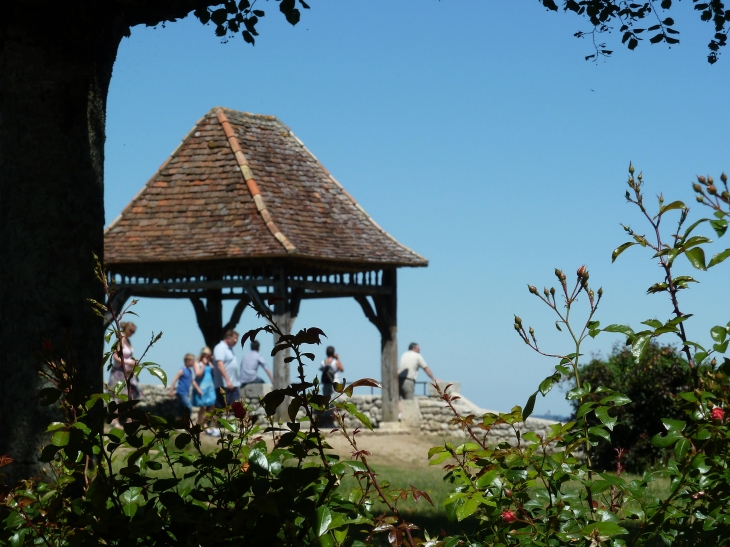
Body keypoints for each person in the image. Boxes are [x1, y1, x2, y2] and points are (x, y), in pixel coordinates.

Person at [108, 321, 140, 429]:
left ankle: (129, 419)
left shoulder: (128, 341)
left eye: (134, 332)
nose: (132, 333)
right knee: (117, 396)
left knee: (130, 396)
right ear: (126, 329)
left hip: (128, 373)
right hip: (118, 372)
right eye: (131, 330)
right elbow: (115, 356)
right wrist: (128, 362)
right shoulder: (120, 340)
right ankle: (114, 420)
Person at [192, 347, 216, 427]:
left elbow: (214, 371)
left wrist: (212, 360)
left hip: (210, 387)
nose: (207, 357)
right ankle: (199, 424)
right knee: (203, 407)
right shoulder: (197, 363)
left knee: (213, 405)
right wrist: (204, 365)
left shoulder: (209, 363)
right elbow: (198, 375)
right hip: (202, 387)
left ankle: (205, 422)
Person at [169, 353, 198, 418]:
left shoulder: (189, 371)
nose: (194, 363)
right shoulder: (182, 370)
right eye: (193, 361)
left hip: (186, 392)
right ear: (188, 361)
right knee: (189, 407)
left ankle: (176, 424)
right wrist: (171, 391)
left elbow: (192, 381)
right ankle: (189, 424)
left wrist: (199, 390)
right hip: (181, 392)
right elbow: (174, 380)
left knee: (181, 410)